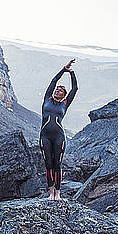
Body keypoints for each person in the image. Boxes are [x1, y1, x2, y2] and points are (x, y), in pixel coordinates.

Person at [40, 59, 78, 201]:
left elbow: (74, 88)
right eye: (57, 89)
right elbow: (54, 80)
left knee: (57, 164)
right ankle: (51, 193)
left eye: (61, 90)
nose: (57, 90)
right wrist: (64, 69)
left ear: (64, 95)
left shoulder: (64, 104)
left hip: (59, 137)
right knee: (48, 164)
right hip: (45, 137)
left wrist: (72, 73)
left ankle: (58, 193)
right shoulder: (47, 99)